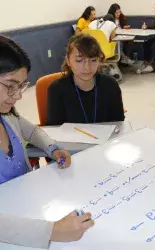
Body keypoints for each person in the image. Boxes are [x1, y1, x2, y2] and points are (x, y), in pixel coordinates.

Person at [0, 36, 94, 247]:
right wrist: (52, 231)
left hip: (30, 210)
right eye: (10, 86)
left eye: (21, 86)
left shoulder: (5, 114)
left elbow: (31, 131)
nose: (17, 97)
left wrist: (52, 148)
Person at [46, 34, 125, 126]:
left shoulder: (110, 85)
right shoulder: (56, 89)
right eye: (79, 60)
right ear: (68, 61)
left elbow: (119, 124)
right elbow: (54, 129)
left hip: (107, 139)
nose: (87, 67)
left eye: (93, 60)